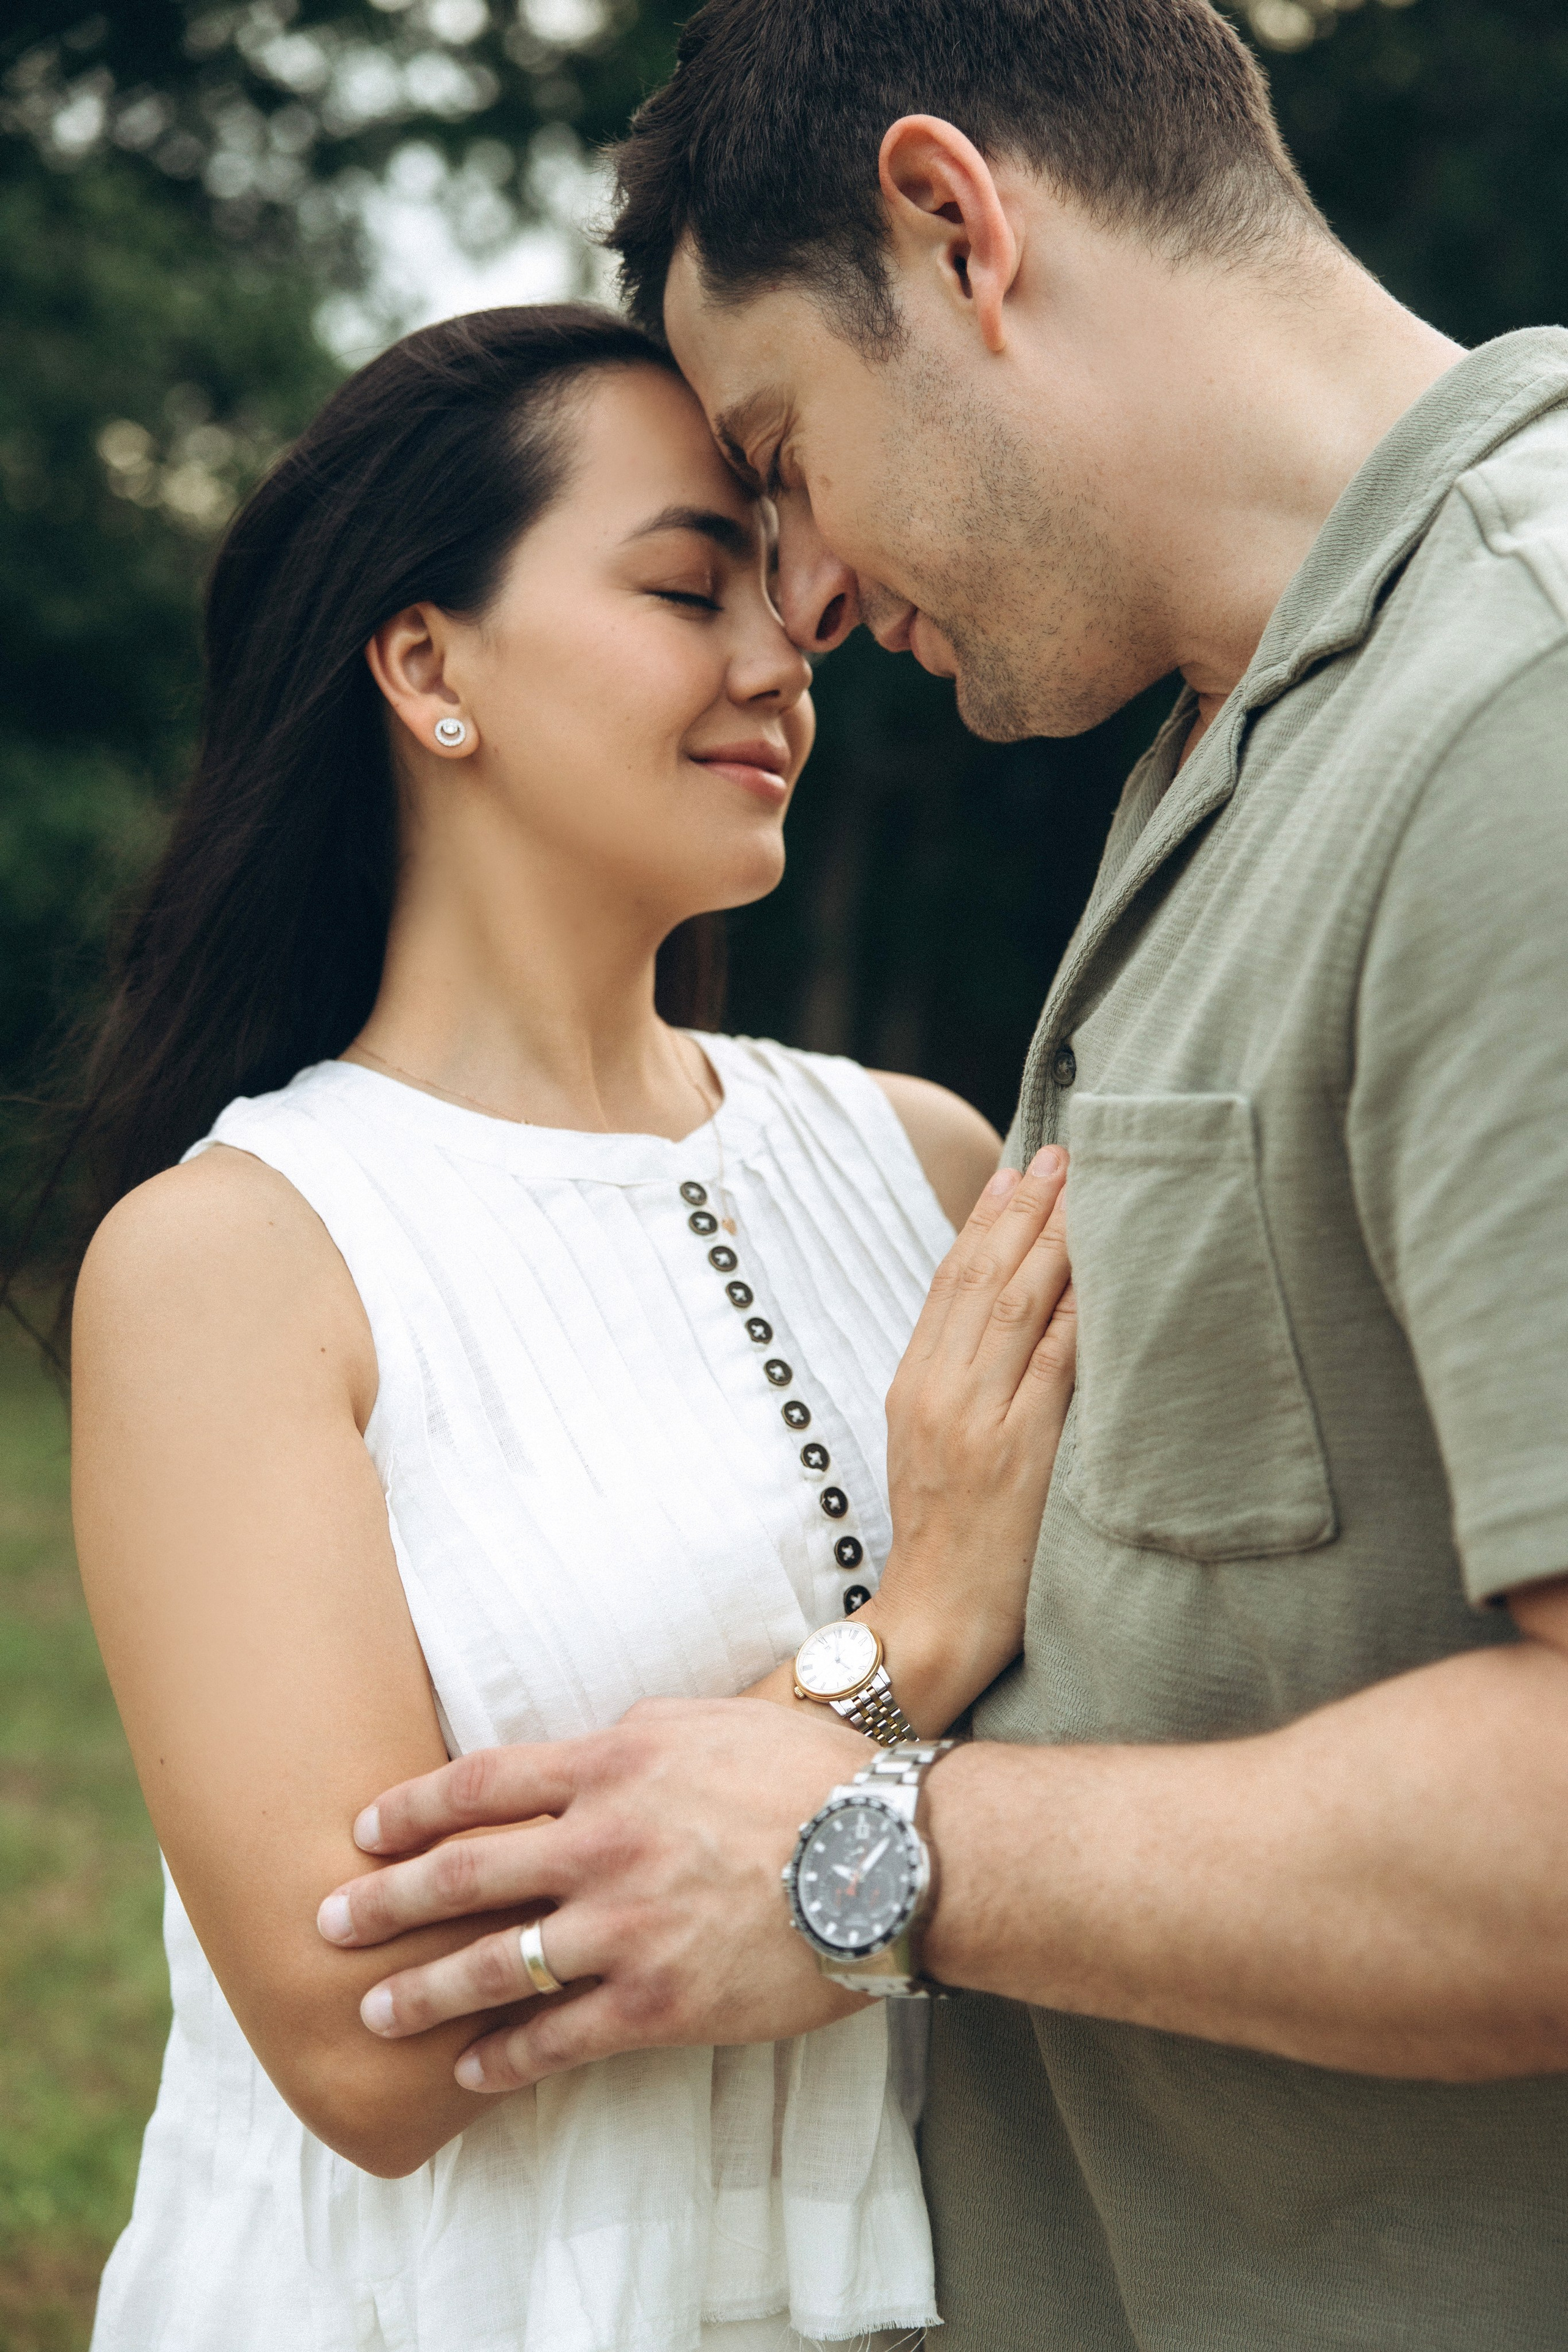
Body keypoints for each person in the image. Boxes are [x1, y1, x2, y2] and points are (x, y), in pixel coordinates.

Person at [315, 3, 1568, 2346]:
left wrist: (853, 1845)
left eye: (780, 458)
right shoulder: (1250, 727)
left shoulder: (1528, 712)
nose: (795, 608)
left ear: (957, 228)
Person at [65, 301, 1081, 2352]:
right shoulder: (237, 1256)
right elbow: (367, 2045)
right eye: (687, 586)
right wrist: (921, 1647)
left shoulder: (929, 1163)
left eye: (783, 598)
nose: (783, 661)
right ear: (428, 666)